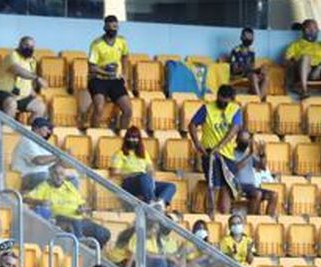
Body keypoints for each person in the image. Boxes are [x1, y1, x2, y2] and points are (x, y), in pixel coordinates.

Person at [188, 85, 244, 214]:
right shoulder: (207, 108)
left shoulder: (236, 110)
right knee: (212, 186)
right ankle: (210, 215)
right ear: (217, 96)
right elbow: (192, 124)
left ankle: (223, 217)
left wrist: (219, 147)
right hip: (210, 154)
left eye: (226, 101)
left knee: (227, 188)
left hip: (228, 155)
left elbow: (233, 130)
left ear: (231, 99)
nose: (223, 103)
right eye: (220, 99)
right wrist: (197, 143)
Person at [27, 163, 110, 246]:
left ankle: (91, 250)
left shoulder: (69, 186)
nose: (59, 177)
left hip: (79, 220)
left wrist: (82, 208)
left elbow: (81, 203)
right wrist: (40, 202)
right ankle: (80, 241)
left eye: (61, 174)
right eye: (56, 174)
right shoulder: (45, 186)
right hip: (59, 220)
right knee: (70, 224)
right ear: (50, 175)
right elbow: (26, 199)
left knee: (104, 233)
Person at [84, 16, 132, 131]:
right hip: (98, 80)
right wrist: (106, 72)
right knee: (99, 108)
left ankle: (122, 134)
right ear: (104, 28)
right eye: (109, 27)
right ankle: (94, 133)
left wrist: (125, 75)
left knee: (128, 110)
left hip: (115, 80)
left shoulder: (122, 41)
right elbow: (92, 67)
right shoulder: (96, 44)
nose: (112, 30)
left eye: (115, 27)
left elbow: (125, 57)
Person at [0, 37, 46, 122]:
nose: (29, 48)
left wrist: (34, 94)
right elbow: (18, 70)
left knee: (40, 106)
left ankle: (31, 130)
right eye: (26, 45)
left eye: (32, 47)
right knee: (11, 103)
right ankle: (8, 129)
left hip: (19, 97)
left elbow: (27, 81)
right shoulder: (12, 56)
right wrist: (37, 78)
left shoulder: (32, 61)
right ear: (20, 45)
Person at [113, 127, 176, 208]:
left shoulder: (144, 153)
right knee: (143, 176)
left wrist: (151, 178)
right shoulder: (120, 154)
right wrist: (132, 174)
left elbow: (150, 169)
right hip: (130, 183)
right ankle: (151, 202)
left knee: (171, 186)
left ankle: (160, 203)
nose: (132, 140)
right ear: (126, 139)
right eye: (130, 137)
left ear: (139, 139)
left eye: (135, 138)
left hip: (145, 182)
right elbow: (115, 173)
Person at [12, 117, 58, 193]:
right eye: (47, 128)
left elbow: (53, 163)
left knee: (71, 178)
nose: (49, 131)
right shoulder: (27, 140)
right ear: (36, 128)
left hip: (41, 174)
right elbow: (38, 160)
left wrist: (66, 157)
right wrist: (58, 156)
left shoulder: (43, 143)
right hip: (24, 176)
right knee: (47, 177)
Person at [226, 27, 266, 96]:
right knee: (253, 76)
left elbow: (252, 67)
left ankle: (261, 99)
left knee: (265, 77)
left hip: (249, 75)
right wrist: (247, 68)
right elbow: (234, 70)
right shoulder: (235, 51)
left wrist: (259, 70)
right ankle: (258, 98)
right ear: (241, 37)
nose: (249, 39)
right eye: (247, 37)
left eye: (251, 37)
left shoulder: (252, 52)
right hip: (238, 75)